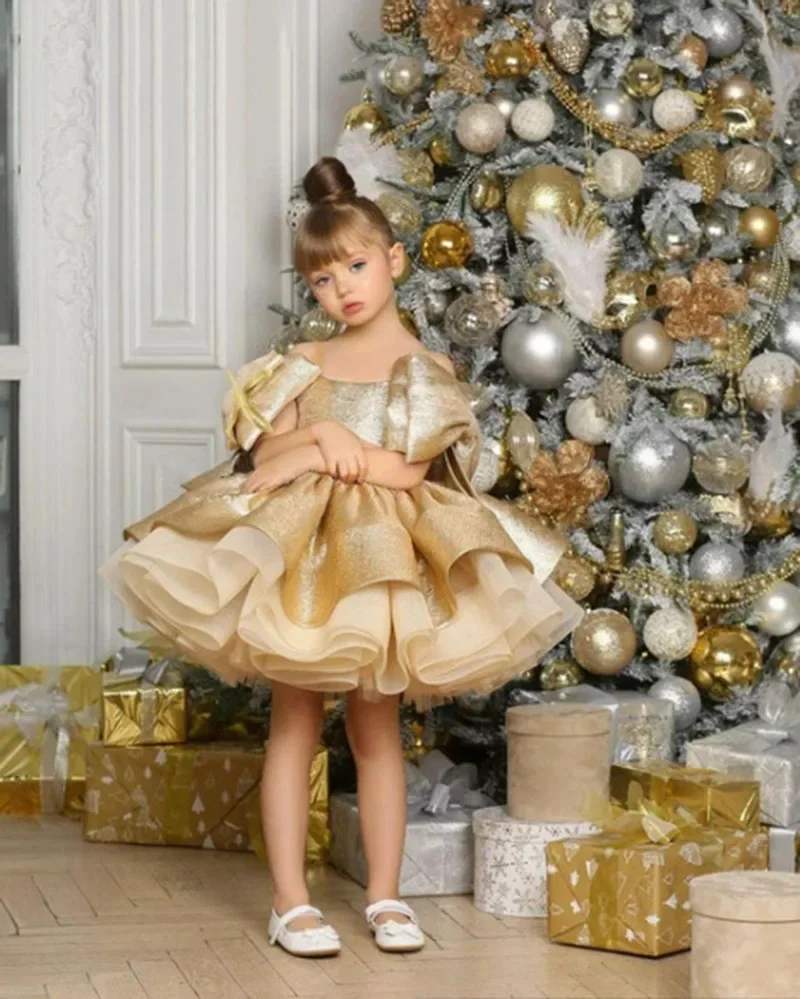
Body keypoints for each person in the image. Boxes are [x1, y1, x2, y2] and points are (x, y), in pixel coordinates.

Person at [102, 156, 582, 959]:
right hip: (304, 556)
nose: (344, 291)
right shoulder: (305, 363)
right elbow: (262, 460)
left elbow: (406, 470)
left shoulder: (425, 371)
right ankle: (290, 900)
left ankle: (386, 895)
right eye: (323, 282)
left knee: (376, 726)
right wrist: (319, 437)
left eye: (357, 267)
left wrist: (329, 445)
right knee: (292, 720)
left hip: (382, 561)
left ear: (394, 260)